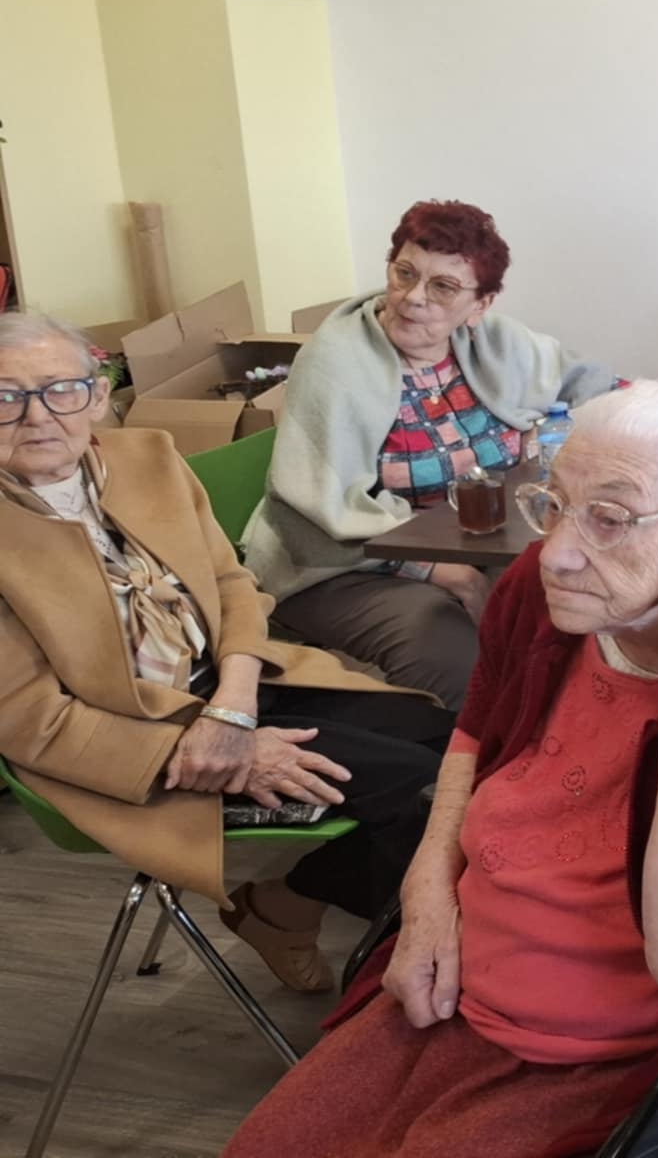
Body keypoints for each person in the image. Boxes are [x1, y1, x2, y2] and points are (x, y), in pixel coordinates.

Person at [225, 383, 658, 1158]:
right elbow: (475, 731)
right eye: (555, 504)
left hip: (621, 1052)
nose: (560, 553)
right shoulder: (544, 591)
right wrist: (426, 893)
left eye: (611, 518)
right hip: (458, 988)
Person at [0, 312, 450, 993]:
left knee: (464, 751)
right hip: (130, 744)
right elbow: (31, 723)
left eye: (60, 389)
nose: (38, 416)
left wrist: (234, 710)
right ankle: (417, 977)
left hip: (234, 690)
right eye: (7, 397)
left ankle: (287, 906)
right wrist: (210, 749)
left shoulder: (147, 458)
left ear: (97, 396)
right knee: (425, 795)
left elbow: (233, 586)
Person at [244, 200, 614, 710]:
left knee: (582, 612)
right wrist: (442, 570)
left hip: (478, 547)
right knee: (449, 652)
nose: (414, 297)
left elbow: (598, 387)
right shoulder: (335, 362)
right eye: (405, 273)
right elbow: (321, 509)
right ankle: (463, 757)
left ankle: (556, 745)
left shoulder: (498, 342)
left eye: (443, 286)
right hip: (341, 564)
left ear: (480, 304)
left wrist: (563, 431)